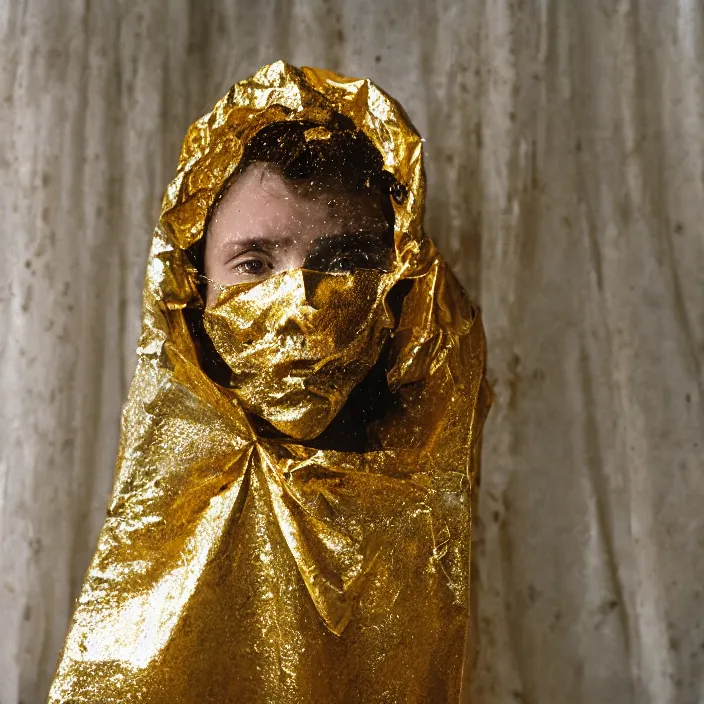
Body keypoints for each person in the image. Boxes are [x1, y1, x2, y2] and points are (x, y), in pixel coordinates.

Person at [48, 61, 491, 704]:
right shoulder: (165, 542)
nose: (302, 306)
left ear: (401, 288)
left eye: (343, 262)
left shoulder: (424, 511)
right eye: (255, 264)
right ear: (195, 292)